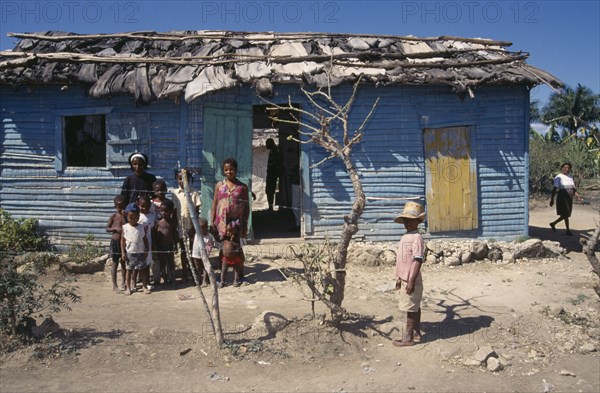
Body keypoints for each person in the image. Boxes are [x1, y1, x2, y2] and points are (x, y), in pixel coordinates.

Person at [211, 157, 250, 286]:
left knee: (237, 249)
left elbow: (246, 207)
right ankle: (222, 277)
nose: (229, 172)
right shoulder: (219, 186)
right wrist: (212, 221)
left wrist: (245, 225)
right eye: (226, 170)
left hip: (236, 224)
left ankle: (239, 275)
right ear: (223, 171)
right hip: (221, 224)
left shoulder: (242, 187)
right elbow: (215, 204)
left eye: (231, 169)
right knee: (223, 249)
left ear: (236, 170)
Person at [392, 201, 426, 347]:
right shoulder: (405, 237)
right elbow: (402, 260)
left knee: (410, 308)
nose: (408, 224)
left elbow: (418, 260)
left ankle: (409, 338)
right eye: (406, 221)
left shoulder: (417, 237)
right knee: (414, 306)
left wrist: (411, 280)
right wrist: (399, 277)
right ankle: (417, 332)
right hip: (405, 277)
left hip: (412, 278)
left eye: (412, 221)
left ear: (418, 221)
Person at [172, 169, 201, 284]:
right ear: (176, 179)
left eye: (185, 179)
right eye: (180, 179)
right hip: (180, 226)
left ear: (189, 180)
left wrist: (195, 227)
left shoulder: (194, 193)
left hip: (192, 227)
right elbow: (174, 212)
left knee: (193, 251)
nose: (182, 181)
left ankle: (194, 273)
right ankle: (184, 273)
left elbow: (197, 211)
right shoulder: (175, 194)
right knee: (183, 251)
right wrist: (175, 227)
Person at [121, 203, 150, 295]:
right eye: (130, 217)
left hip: (140, 252)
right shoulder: (125, 227)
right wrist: (123, 253)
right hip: (130, 253)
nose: (133, 220)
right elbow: (122, 241)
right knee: (129, 270)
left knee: (142, 270)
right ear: (127, 217)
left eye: (135, 217)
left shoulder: (141, 227)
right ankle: (128, 287)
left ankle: (144, 287)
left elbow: (145, 240)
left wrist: (146, 250)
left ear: (139, 216)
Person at [549, 162, 583, 236]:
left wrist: (578, 196)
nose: (567, 169)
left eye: (568, 168)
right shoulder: (559, 177)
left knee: (566, 214)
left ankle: (553, 224)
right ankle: (567, 230)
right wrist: (552, 199)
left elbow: (573, 189)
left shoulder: (570, 177)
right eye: (565, 168)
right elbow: (555, 188)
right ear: (562, 168)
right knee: (565, 214)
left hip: (569, 197)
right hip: (562, 196)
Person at [105, 194, 127, 293]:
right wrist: (114, 228)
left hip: (124, 242)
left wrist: (125, 216)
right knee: (115, 263)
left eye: (123, 206)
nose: (121, 208)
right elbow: (107, 228)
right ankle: (114, 285)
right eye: (119, 206)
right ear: (115, 206)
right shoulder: (114, 216)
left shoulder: (126, 215)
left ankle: (124, 282)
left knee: (124, 263)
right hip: (115, 242)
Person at [155, 199, 178, 287]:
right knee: (162, 264)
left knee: (171, 264)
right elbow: (156, 235)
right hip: (160, 247)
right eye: (162, 211)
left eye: (166, 211)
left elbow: (174, 234)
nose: (164, 213)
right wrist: (155, 246)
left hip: (170, 246)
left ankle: (173, 280)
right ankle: (165, 281)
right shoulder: (158, 223)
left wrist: (176, 245)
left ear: (171, 211)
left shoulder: (172, 223)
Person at [137, 195, 158, 288]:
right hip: (138, 242)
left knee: (147, 262)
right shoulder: (136, 216)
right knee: (137, 262)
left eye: (146, 206)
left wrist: (153, 243)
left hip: (148, 242)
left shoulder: (152, 216)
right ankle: (135, 281)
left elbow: (153, 231)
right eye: (142, 206)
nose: (144, 208)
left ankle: (147, 282)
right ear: (138, 205)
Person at [218, 220, 244, 288]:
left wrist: (232, 241)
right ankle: (222, 281)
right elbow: (221, 241)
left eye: (230, 231)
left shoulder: (237, 238)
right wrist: (221, 237)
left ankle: (236, 281)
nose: (228, 233)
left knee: (236, 270)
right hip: (226, 258)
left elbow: (238, 245)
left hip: (235, 257)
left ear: (235, 231)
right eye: (227, 231)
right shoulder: (225, 236)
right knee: (223, 270)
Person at [191, 217, 214, 287]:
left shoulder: (208, 237)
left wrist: (207, 253)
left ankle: (204, 280)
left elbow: (210, 246)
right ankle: (198, 280)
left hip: (204, 255)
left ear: (207, 227)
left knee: (205, 267)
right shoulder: (196, 235)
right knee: (197, 268)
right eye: (200, 228)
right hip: (195, 254)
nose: (202, 230)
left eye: (204, 228)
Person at [265, 138, 280, 212]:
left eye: (267, 144)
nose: (266, 145)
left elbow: (275, 165)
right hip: (271, 174)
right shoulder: (273, 150)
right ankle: (270, 206)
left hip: (272, 175)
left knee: (270, 190)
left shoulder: (275, 151)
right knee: (269, 191)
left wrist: (273, 173)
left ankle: (271, 207)